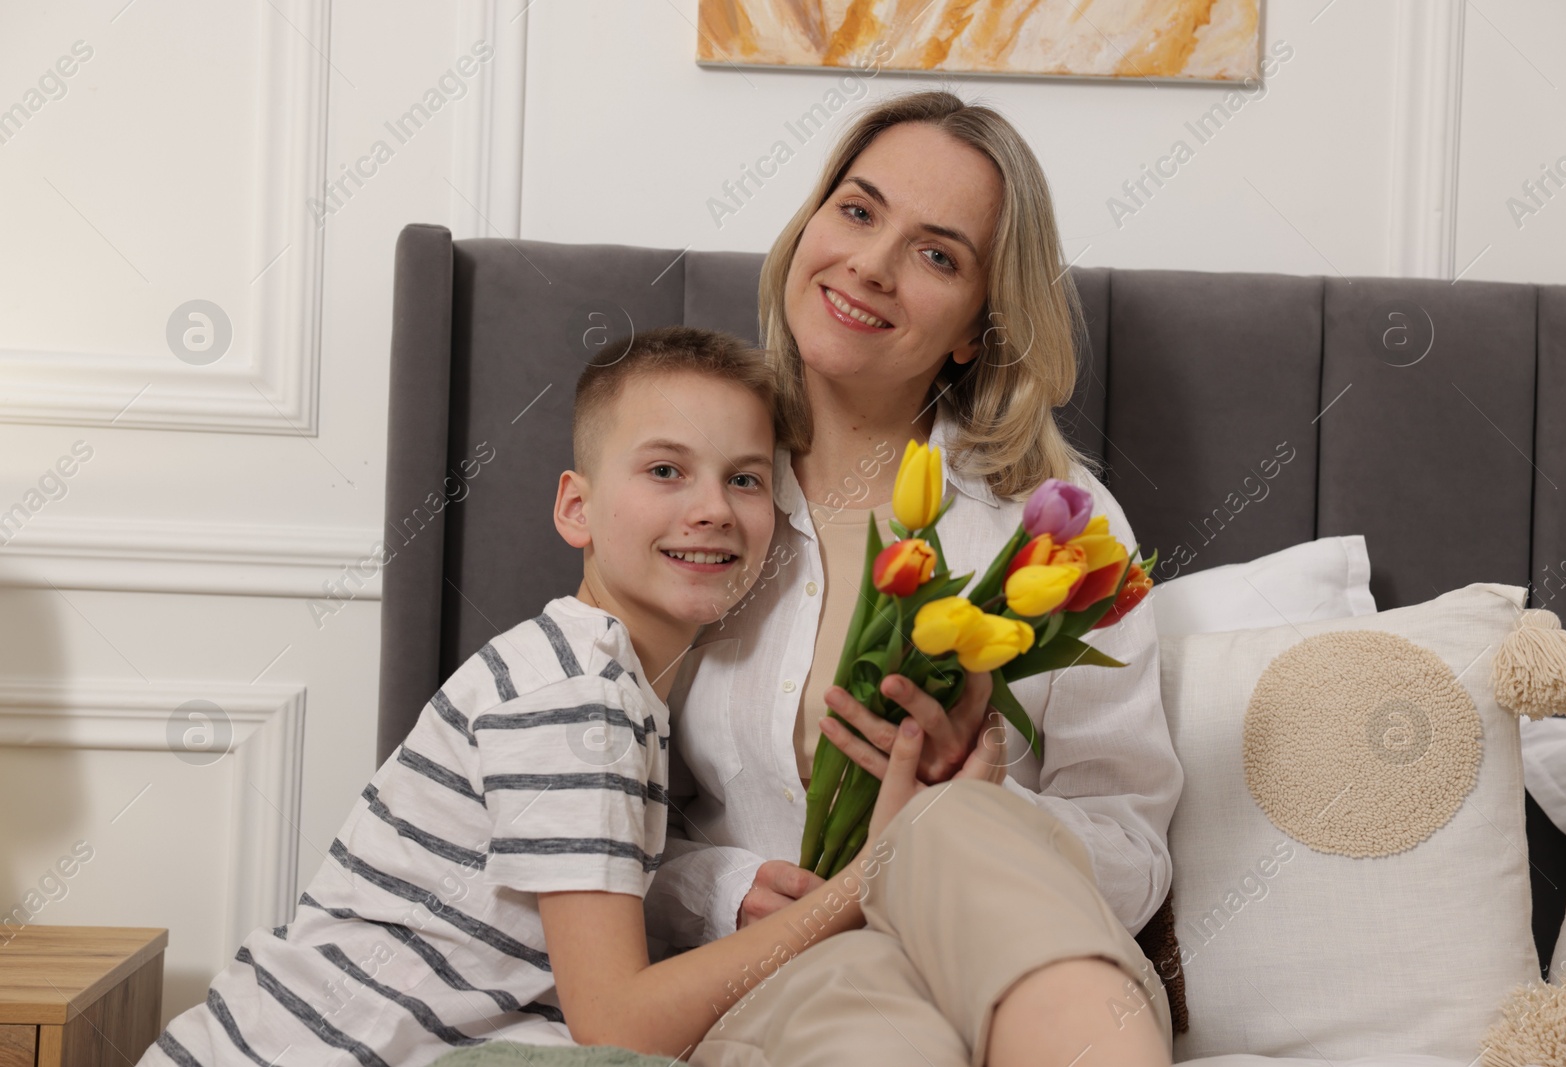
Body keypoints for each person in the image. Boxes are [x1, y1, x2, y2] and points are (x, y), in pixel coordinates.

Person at [136, 327, 1000, 1067]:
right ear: (576, 509)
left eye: (745, 479)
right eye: (667, 469)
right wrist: (864, 879)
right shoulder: (578, 699)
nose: (713, 508)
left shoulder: (599, 680)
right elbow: (618, 1023)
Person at [647, 90, 1183, 1066]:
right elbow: (592, 826)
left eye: (937, 254)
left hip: (1027, 959)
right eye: (857, 210)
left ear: (979, 324)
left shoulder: (1058, 524)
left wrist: (983, 802)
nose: (870, 264)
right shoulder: (690, 504)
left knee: (947, 822)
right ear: (809, 224)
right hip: (797, 971)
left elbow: (1135, 849)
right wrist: (720, 887)